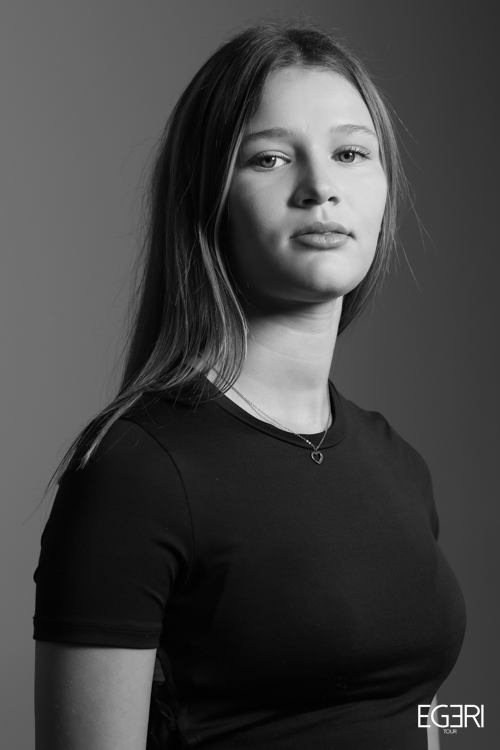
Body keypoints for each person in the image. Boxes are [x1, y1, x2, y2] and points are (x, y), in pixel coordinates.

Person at [33, 20, 466, 750]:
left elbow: (418, 717)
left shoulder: (399, 464)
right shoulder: (135, 473)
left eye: (351, 153)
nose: (320, 188)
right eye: (269, 158)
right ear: (208, 195)